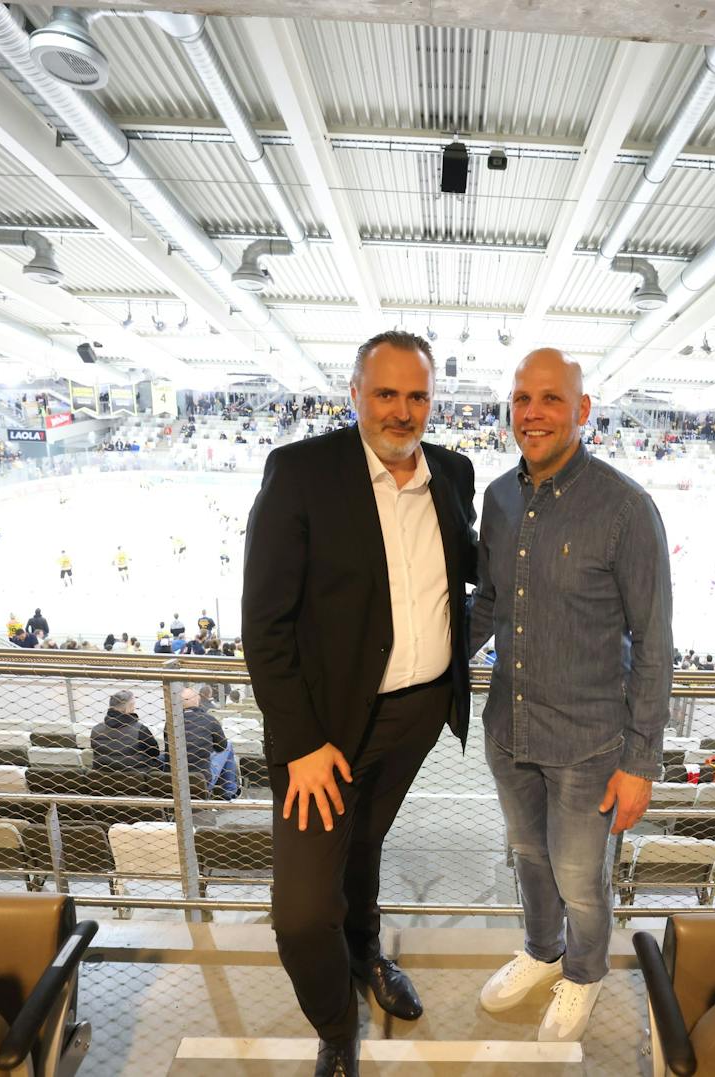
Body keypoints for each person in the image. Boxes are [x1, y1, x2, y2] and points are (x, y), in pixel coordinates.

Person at [242, 330, 478, 1077]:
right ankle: (337, 1024)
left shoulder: (451, 472)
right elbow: (265, 623)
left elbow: (468, 565)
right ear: (355, 393)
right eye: (387, 393)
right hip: (325, 732)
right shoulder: (301, 472)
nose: (402, 411)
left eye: (417, 396)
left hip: (415, 717)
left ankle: (367, 955)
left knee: (365, 846)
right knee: (303, 911)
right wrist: (303, 740)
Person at [470, 349, 671, 1044]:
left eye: (551, 399)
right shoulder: (498, 498)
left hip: (590, 743)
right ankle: (541, 948)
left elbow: (653, 640)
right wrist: (423, 664)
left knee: (581, 880)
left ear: (582, 410)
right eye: (523, 398)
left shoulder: (625, 508)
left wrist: (642, 760)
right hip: (510, 730)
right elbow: (490, 602)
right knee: (529, 856)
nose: (533, 412)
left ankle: (583, 973)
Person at [177, 685, 237, 798]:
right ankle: (229, 792)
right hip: (202, 781)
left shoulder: (171, 723)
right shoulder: (209, 720)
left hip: (177, 780)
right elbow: (221, 747)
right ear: (197, 700)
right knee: (228, 746)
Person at [88, 690, 161, 770]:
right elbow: (155, 752)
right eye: (133, 705)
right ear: (129, 707)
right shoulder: (140, 729)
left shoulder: (96, 730)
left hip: (103, 777)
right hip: (136, 776)